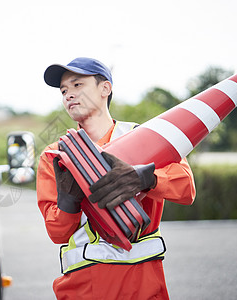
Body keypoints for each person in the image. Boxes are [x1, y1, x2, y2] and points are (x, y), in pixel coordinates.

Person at [36, 57, 196, 299]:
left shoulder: (145, 136)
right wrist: (69, 203)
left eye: (78, 85)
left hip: (143, 287)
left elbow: (186, 189)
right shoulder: (55, 155)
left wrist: (147, 179)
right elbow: (57, 233)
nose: (69, 94)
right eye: (64, 90)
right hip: (81, 289)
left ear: (105, 88)